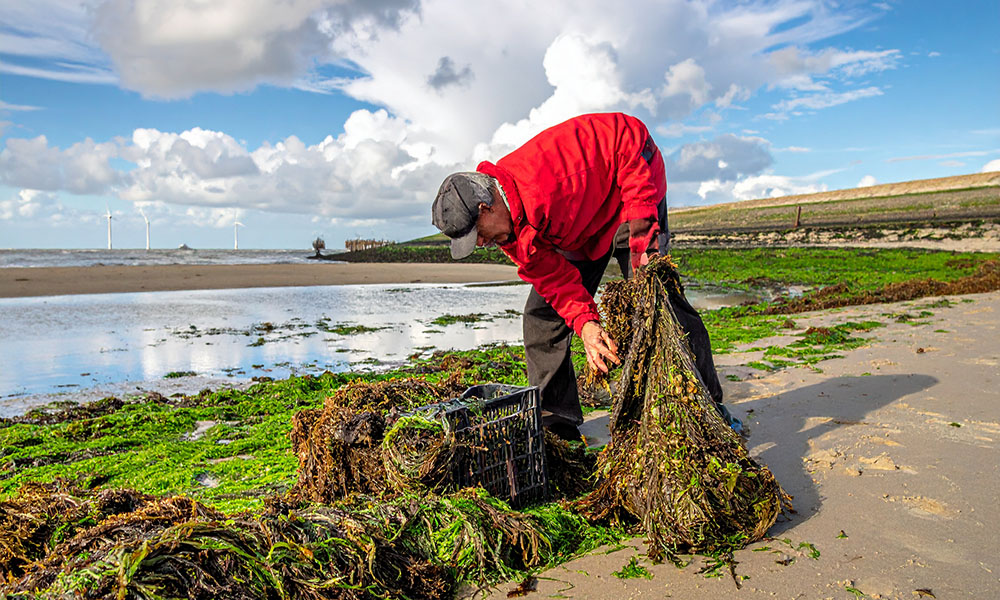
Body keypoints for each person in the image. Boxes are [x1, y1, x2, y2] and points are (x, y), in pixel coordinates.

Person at [431, 112, 729, 441]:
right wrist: (586, 323)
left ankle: (708, 407)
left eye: (479, 235)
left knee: (658, 301)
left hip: (627, 193)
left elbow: (629, 141)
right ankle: (556, 422)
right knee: (542, 316)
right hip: (576, 232)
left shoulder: (552, 177)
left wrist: (643, 249)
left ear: (486, 208)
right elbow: (555, 281)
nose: (483, 244)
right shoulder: (507, 232)